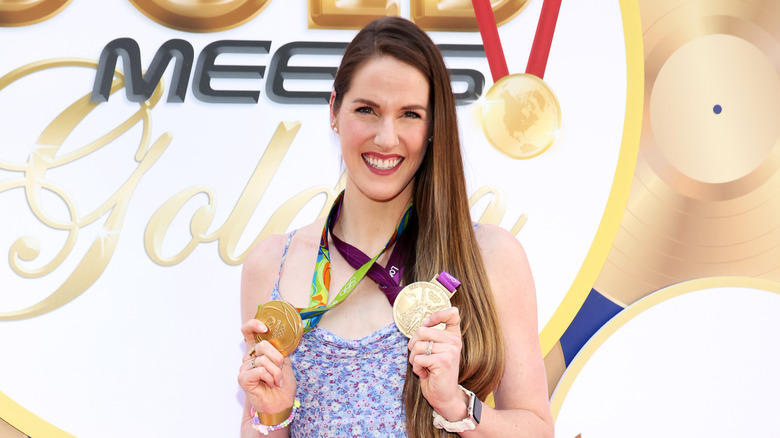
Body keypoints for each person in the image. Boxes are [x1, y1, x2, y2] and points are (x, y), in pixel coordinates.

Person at [237, 16, 553, 437]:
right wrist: (275, 414)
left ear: (431, 127)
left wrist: (456, 406)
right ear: (334, 111)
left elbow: (536, 428)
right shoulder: (269, 264)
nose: (386, 138)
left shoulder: (490, 256)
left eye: (409, 114)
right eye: (367, 110)